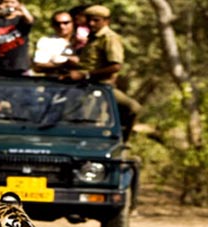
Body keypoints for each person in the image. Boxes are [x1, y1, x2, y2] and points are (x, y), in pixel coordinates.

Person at [61, 4, 142, 142]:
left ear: (106, 21)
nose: (91, 23)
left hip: (100, 86)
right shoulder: (91, 38)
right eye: (89, 20)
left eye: (96, 20)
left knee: (133, 109)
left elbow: (116, 66)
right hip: (84, 85)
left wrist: (85, 75)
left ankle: (122, 142)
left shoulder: (109, 38)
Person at [31, 11, 74, 76]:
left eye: (66, 23)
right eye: (57, 23)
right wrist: (63, 65)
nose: (61, 26)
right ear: (52, 25)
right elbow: (38, 66)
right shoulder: (46, 41)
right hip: (54, 82)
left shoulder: (84, 39)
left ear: (73, 23)